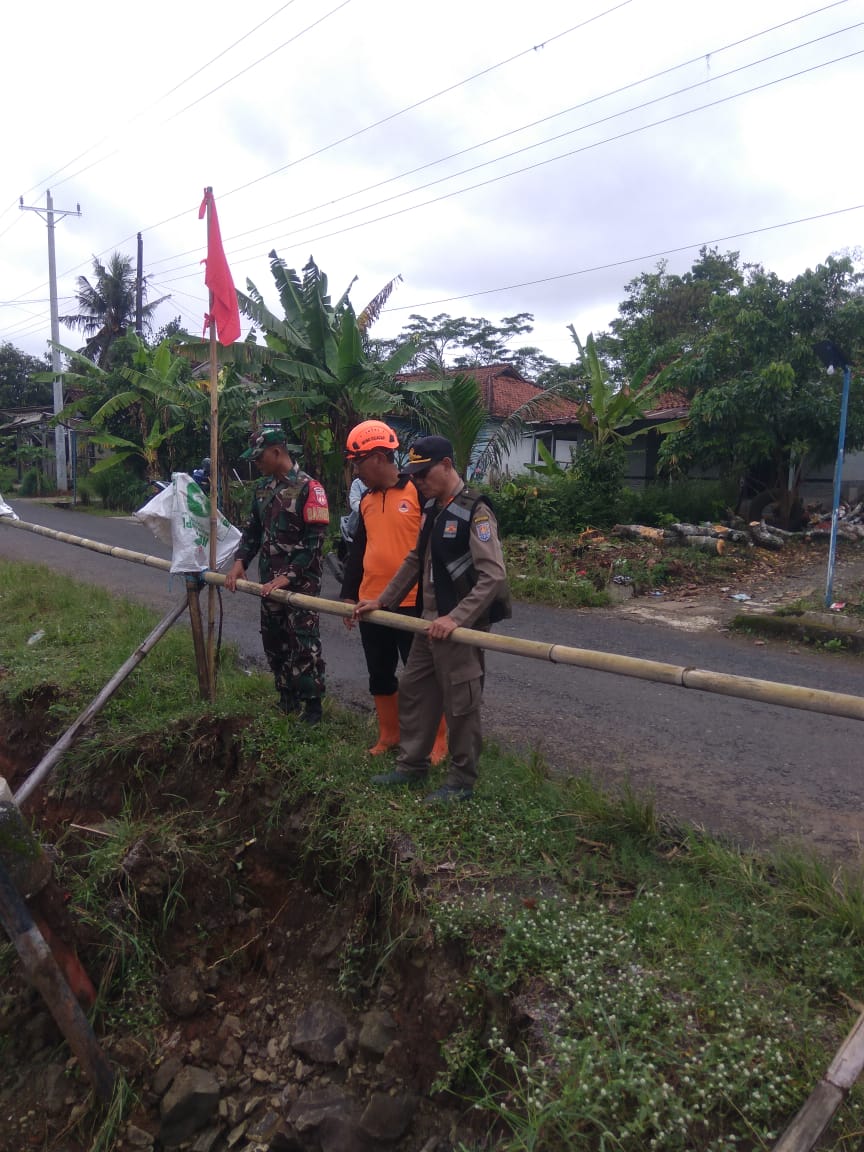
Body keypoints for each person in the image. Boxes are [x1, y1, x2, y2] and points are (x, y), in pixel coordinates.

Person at [354, 434, 510, 804]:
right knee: (414, 690)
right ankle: (412, 765)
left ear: (445, 465)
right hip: (428, 622)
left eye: (424, 475)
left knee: (461, 704)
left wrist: (457, 618)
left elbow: (493, 575)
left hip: (460, 627)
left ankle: (461, 780)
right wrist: (382, 602)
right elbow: (414, 561)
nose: (419, 482)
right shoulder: (433, 508)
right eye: (415, 476)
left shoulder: (476, 510)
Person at [340, 420, 447, 760]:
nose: (357, 472)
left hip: (413, 602)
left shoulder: (417, 492)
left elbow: (433, 550)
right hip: (372, 602)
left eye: (358, 463)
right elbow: (358, 550)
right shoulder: (367, 501)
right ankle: (390, 735)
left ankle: (438, 740)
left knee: (422, 677)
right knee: (380, 672)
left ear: (377, 458)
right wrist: (348, 595)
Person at [225, 429, 329, 725]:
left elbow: (314, 542)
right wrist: (240, 562)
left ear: (276, 452)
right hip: (268, 583)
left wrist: (289, 576)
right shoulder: (261, 489)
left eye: (259, 457)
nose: (256, 463)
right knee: (274, 640)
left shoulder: (311, 488)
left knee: (303, 642)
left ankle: (312, 706)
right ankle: (286, 698)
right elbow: (252, 532)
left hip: (301, 584)